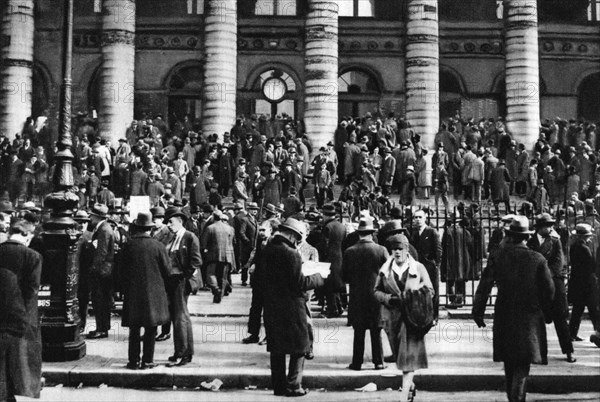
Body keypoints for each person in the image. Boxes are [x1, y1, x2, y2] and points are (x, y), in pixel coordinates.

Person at [473, 216, 554, 402]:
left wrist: (478, 312)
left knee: (510, 362)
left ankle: (515, 398)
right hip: (529, 318)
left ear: (510, 236)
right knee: (522, 364)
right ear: (526, 237)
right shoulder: (538, 259)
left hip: (505, 315)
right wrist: (547, 314)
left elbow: (484, 285)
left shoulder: (497, 256)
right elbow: (549, 291)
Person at [261, 218, 325, 396]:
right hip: (292, 307)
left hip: (272, 306)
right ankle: (294, 385)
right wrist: (319, 278)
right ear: (291, 235)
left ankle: (279, 386)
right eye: (297, 238)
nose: (297, 242)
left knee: (277, 348)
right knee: (300, 347)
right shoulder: (291, 253)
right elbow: (300, 282)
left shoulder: (267, 250)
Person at [374, 234, 433, 402]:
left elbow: (430, 290)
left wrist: (412, 297)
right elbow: (376, 291)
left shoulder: (418, 268)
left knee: (407, 360)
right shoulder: (385, 270)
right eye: (394, 250)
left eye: (400, 249)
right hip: (392, 319)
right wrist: (388, 299)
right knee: (401, 358)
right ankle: (410, 386)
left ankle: (403, 396)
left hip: (413, 320)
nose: (397, 253)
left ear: (407, 250)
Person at [121, 212, 172, 370]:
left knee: (134, 329)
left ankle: (133, 361)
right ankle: (147, 360)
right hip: (153, 294)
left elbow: (120, 271)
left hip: (133, 294)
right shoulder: (158, 246)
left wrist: (123, 289)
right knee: (151, 329)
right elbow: (167, 271)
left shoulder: (128, 245)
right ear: (150, 229)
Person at [0, 219, 43, 402]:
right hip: (17, 317)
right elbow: (31, 291)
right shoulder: (32, 256)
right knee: (15, 361)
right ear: (26, 235)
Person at [527, 213, 575, 362]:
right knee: (539, 320)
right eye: (547, 226)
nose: (550, 228)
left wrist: (545, 275)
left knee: (560, 319)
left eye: (550, 225)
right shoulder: (530, 243)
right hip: (538, 286)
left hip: (554, 283)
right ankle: (542, 355)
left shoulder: (555, 242)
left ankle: (568, 351)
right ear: (539, 228)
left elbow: (558, 263)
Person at [343, 217, 389, 371]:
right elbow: (388, 274)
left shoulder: (349, 251)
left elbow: (344, 277)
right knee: (376, 330)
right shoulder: (381, 250)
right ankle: (379, 362)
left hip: (357, 297)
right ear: (371, 234)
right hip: (376, 296)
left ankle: (357, 363)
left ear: (358, 234)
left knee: (359, 331)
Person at [164, 207, 202, 367]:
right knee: (176, 317)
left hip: (181, 281)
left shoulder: (189, 237)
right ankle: (179, 351)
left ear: (180, 221)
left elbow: (196, 262)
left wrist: (185, 279)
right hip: (173, 281)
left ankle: (185, 353)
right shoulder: (172, 238)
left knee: (181, 317)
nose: (168, 224)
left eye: (171, 222)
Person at [86, 204, 115, 339]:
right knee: (102, 300)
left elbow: (101, 252)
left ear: (97, 217)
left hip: (102, 271)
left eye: (92, 215)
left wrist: (94, 268)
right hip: (105, 269)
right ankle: (103, 327)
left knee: (100, 300)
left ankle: (101, 329)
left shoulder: (103, 230)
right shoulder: (105, 228)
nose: (90, 218)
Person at [568, 224, 600, 343]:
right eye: (587, 236)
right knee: (593, 311)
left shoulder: (573, 247)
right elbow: (590, 268)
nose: (589, 238)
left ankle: (572, 333)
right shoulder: (585, 249)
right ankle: (598, 332)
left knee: (577, 310)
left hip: (577, 284)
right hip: (586, 285)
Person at [410, 209, 442, 322]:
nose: (418, 220)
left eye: (420, 217)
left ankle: (434, 316)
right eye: (416, 217)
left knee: (433, 291)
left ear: (425, 218)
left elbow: (438, 250)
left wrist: (435, 264)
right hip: (417, 266)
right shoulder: (413, 233)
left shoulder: (432, 232)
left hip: (430, 267)